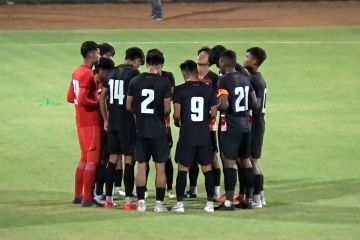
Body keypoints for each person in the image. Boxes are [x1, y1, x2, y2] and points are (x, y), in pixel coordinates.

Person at [126, 49, 171, 213]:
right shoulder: (164, 82)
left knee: (141, 166)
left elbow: (128, 105)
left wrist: (139, 114)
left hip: (141, 129)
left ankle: (141, 203)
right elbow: (167, 109)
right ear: (160, 65)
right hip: (158, 130)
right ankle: (159, 204)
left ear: (147, 63)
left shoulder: (135, 81)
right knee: (160, 167)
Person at [100, 47, 145, 209]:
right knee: (128, 160)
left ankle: (109, 199)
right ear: (136, 60)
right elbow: (135, 102)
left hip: (113, 123)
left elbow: (102, 97)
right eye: (140, 63)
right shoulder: (134, 74)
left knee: (112, 159)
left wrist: (106, 119)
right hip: (127, 124)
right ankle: (127, 201)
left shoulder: (111, 72)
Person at [171, 60, 217, 213]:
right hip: (204, 134)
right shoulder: (209, 89)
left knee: (183, 169)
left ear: (184, 74)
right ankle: (210, 203)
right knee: (207, 169)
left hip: (187, 134)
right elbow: (214, 114)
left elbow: (177, 115)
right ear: (196, 72)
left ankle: (180, 204)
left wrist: (178, 121)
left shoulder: (179, 90)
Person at [215, 50, 259, 211]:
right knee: (246, 161)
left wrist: (214, 105)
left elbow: (224, 105)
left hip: (231, 125)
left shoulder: (223, 80)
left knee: (230, 162)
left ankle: (228, 202)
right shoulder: (245, 79)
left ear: (223, 64)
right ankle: (247, 199)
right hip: (246, 125)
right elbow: (255, 103)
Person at [67, 41, 101, 207]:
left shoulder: (77, 72)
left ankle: (78, 195)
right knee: (92, 161)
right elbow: (81, 99)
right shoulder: (87, 74)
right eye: (97, 52)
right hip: (90, 122)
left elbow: (70, 97)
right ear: (91, 55)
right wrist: (98, 102)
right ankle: (88, 199)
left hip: (80, 121)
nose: (99, 55)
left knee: (84, 159)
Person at [185, 47, 222, 199]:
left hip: (208, 125)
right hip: (193, 124)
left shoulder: (214, 79)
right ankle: (192, 189)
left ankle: (216, 190)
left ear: (209, 62)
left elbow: (219, 100)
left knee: (212, 156)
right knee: (192, 157)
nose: (200, 58)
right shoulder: (192, 76)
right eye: (199, 55)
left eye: (203, 56)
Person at [243, 47, 268, 208]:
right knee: (253, 160)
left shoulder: (254, 80)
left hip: (255, 123)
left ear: (254, 61)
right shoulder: (257, 78)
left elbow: (256, 104)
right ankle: (261, 196)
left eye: (247, 57)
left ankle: (257, 197)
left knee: (252, 161)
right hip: (257, 122)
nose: (244, 59)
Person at [93, 57, 115, 206]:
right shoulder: (101, 85)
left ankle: (96, 191)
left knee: (100, 161)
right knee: (103, 161)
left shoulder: (94, 82)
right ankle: (99, 193)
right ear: (103, 70)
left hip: (98, 128)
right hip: (102, 129)